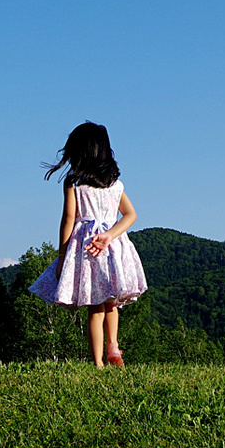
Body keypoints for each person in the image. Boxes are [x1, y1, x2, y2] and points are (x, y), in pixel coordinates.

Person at [29, 122, 148, 367]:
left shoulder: (74, 182)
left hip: (87, 247)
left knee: (95, 307)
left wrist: (62, 256)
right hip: (112, 247)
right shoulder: (115, 184)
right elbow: (130, 215)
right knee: (111, 302)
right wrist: (109, 235)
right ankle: (113, 345)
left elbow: (68, 220)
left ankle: (98, 363)